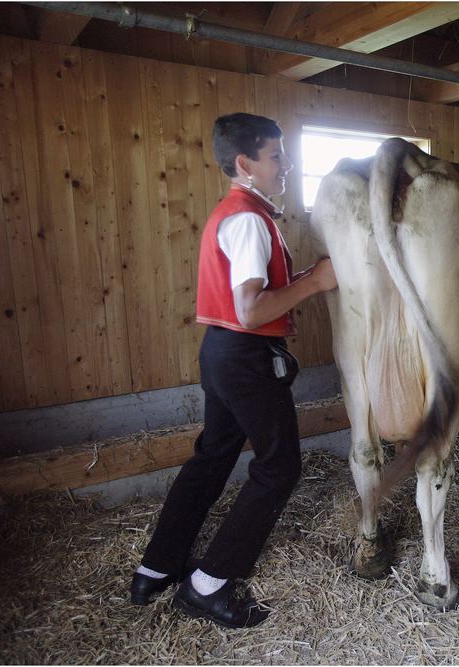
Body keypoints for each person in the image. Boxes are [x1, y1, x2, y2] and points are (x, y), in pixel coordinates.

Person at [129, 112, 337, 628]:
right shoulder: (249, 220)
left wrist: (309, 274)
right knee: (279, 465)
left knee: (213, 455)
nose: (285, 165)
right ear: (245, 163)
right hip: (245, 357)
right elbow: (250, 309)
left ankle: (155, 568)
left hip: (220, 352)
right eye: (276, 156)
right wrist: (316, 285)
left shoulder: (237, 211)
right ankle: (210, 584)